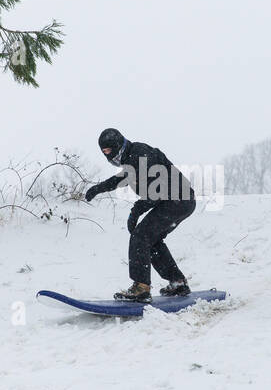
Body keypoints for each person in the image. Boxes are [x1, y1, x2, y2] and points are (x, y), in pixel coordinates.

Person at [84, 127, 196, 302]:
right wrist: (98, 189)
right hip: (180, 201)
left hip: (177, 199)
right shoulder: (131, 157)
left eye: (108, 151)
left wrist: (135, 212)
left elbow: (158, 189)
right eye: (103, 152)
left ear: (117, 145)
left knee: (140, 236)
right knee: (150, 240)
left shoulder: (140, 154)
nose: (107, 155)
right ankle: (177, 282)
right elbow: (121, 179)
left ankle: (141, 288)